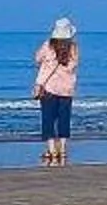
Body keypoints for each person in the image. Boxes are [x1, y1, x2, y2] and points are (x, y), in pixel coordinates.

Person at [34, 18, 79, 167]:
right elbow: (74, 65)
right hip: (67, 89)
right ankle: (63, 149)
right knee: (64, 119)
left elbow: (37, 58)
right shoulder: (73, 48)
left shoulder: (48, 45)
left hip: (49, 88)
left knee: (48, 119)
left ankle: (52, 150)